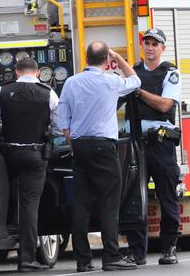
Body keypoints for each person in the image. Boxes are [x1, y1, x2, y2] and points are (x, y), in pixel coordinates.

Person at [58, 41, 140, 272]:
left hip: (80, 146)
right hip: (103, 148)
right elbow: (135, 80)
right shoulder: (111, 81)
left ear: (85, 59)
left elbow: (62, 118)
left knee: (81, 204)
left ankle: (83, 260)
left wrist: (70, 137)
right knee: (108, 203)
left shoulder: (71, 83)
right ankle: (111, 256)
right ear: (106, 60)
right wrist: (119, 57)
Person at [0, 57, 60, 273]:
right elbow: (58, 126)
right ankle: (26, 259)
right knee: (29, 207)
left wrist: (5, 132)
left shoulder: (1, 92)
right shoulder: (49, 94)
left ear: (16, 72)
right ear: (37, 73)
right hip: (35, 155)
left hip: (7, 154)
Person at [124, 28, 181, 266]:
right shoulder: (133, 73)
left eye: (155, 44)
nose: (150, 47)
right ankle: (137, 252)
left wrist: (137, 91)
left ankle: (168, 249)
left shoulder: (170, 73)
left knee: (167, 197)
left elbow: (164, 105)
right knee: (134, 199)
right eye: (146, 43)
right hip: (135, 142)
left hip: (159, 142)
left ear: (162, 48)